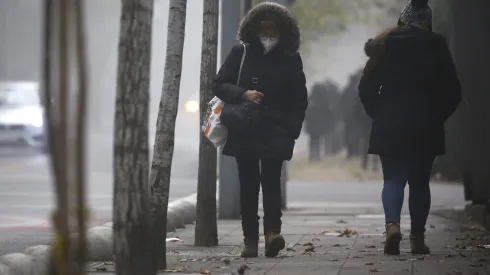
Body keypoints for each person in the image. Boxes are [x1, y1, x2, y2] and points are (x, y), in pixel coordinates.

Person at [358, 0, 461, 255]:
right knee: (419, 183)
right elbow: (453, 91)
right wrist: (437, 116)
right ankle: (417, 239)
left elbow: (366, 87)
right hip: (425, 124)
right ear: (427, 21)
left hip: (390, 123)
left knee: (393, 178)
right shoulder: (436, 44)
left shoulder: (385, 44)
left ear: (402, 20)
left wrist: (379, 113)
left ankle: (392, 226)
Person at [212, 2, 307, 258]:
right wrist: (243, 93)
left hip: (277, 129)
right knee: (249, 185)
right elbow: (219, 84)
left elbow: (300, 98)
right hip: (245, 126)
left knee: (271, 183)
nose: (268, 38)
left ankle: (273, 233)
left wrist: (292, 129)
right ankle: (250, 240)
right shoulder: (241, 52)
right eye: (263, 33)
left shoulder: (290, 58)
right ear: (254, 31)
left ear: (283, 33)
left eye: (273, 33)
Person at [304, 82, 335, 162]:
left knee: (312, 141)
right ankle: (317, 156)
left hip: (311, 125)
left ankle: (312, 156)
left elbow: (305, 112)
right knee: (318, 140)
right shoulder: (323, 101)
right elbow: (328, 112)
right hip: (319, 125)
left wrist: (307, 120)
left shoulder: (310, 99)